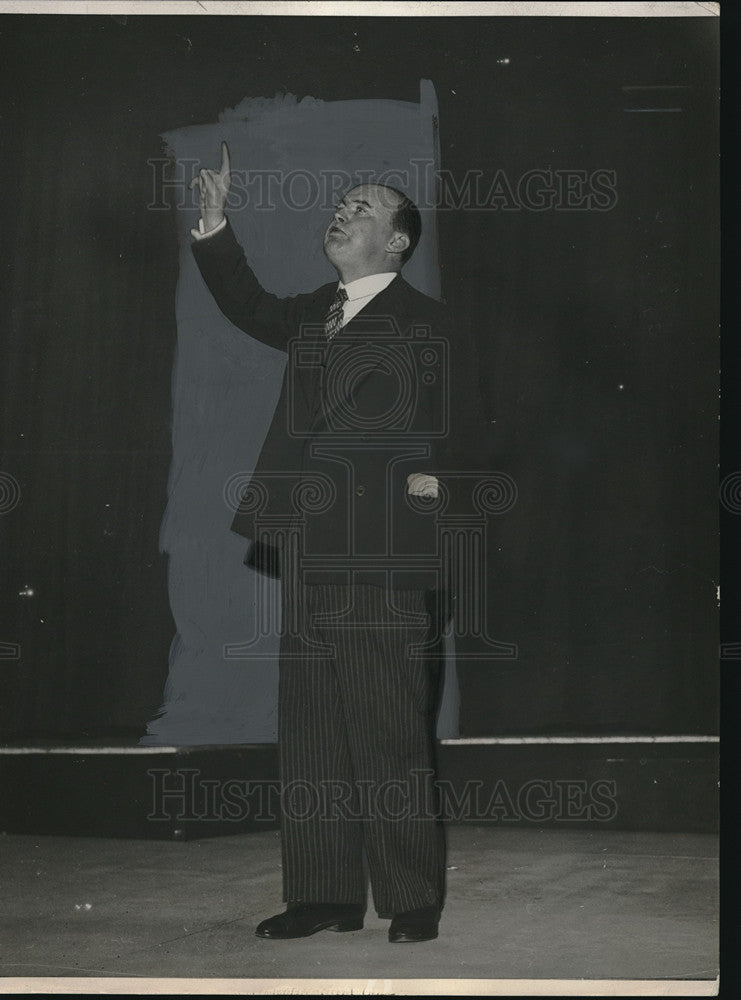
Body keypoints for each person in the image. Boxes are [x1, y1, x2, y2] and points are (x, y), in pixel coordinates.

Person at [189, 142, 467, 944]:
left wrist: (443, 482)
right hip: (309, 546)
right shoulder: (315, 311)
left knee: (385, 729)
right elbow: (246, 304)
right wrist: (214, 227)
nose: (342, 212)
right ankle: (324, 896)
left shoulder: (429, 324)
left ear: (398, 242)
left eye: (362, 208)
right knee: (312, 730)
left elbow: (476, 418)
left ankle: (411, 900)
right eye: (339, 205)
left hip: (384, 554)